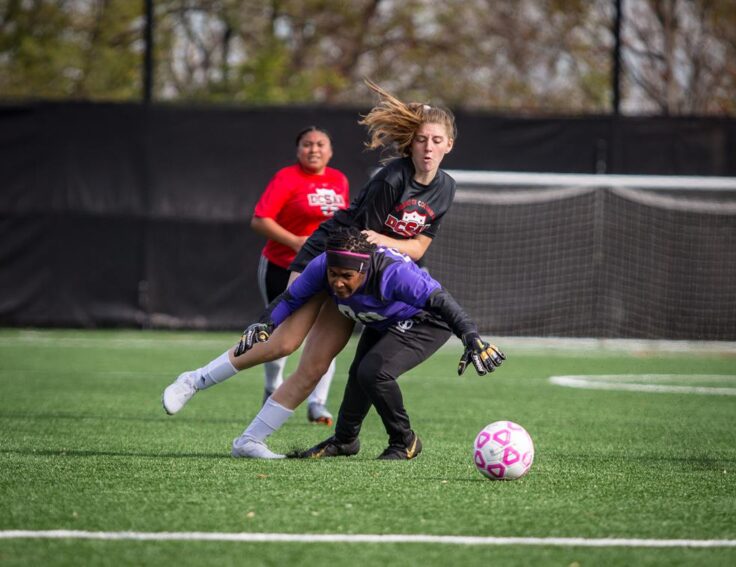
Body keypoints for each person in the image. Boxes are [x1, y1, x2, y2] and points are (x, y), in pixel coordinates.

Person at [162, 80, 459, 458]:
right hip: (332, 256)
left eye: (436, 140)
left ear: (449, 144)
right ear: (410, 144)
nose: (428, 147)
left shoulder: (446, 188)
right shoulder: (391, 179)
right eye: (421, 139)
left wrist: (390, 252)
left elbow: (417, 247)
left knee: (315, 367)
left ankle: (249, 442)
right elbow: (359, 242)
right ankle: (193, 380)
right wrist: (387, 256)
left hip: (363, 272)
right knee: (283, 342)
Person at [235, 227, 505, 460]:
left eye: (346, 276)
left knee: (374, 373)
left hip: (427, 321)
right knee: (358, 375)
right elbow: (291, 299)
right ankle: (344, 441)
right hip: (385, 319)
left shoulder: (395, 274)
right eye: (333, 274)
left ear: (364, 269)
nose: (337, 283)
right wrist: (265, 323)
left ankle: (404, 441)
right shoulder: (321, 266)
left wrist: (470, 337)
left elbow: (441, 301)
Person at [250, 126, 349, 425]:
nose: (314, 149)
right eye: (307, 144)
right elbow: (260, 220)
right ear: (298, 150)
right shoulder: (287, 178)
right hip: (282, 266)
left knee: (324, 335)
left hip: (324, 270)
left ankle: (317, 403)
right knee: (280, 334)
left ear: (330, 151)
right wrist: (295, 242)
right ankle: (272, 385)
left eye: (321, 144)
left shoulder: (338, 180)